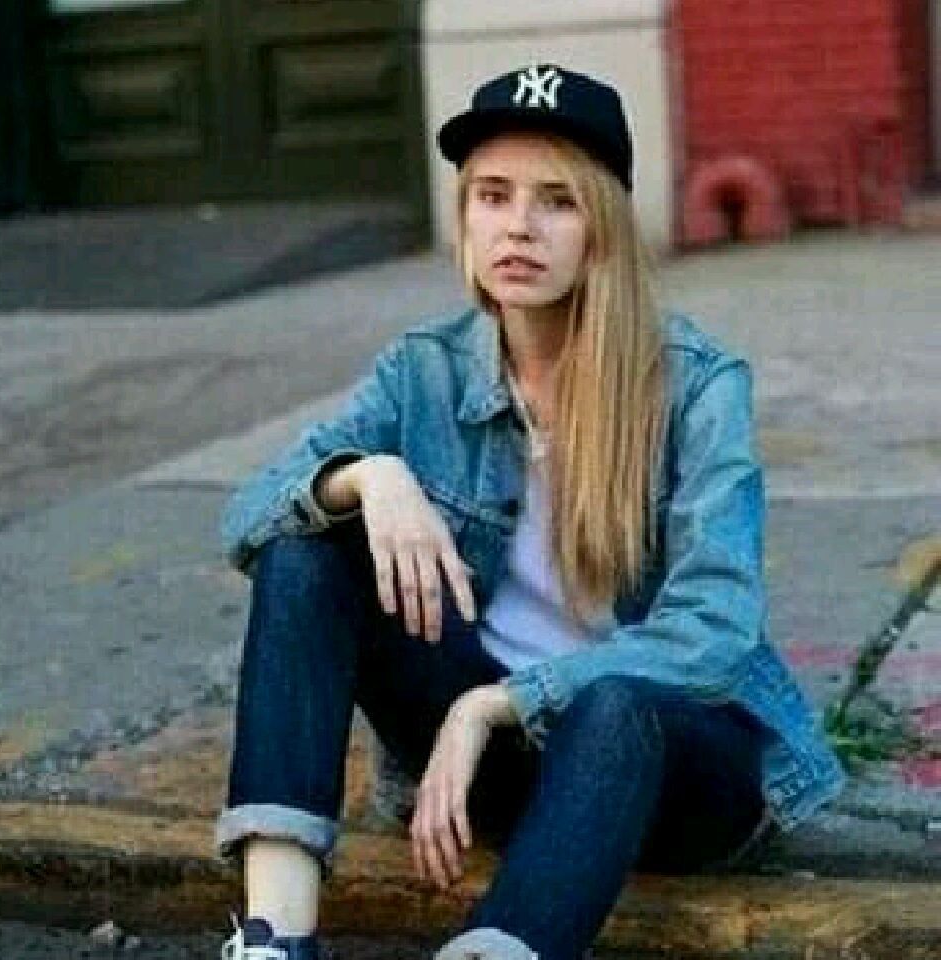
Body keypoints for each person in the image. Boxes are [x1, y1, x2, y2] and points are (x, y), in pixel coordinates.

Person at [214, 64, 845, 960]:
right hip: (501, 772)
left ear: (603, 228)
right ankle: (276, 934)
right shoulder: (423, 369)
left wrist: (499, 703)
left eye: (557, 201)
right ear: (466, 217)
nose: (519, 226)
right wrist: (369, 478)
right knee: (302, 548)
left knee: (614, 702)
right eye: (493, 196)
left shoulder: (697, 385)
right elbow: (244, 517)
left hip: (671, 771)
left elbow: (714, 626)